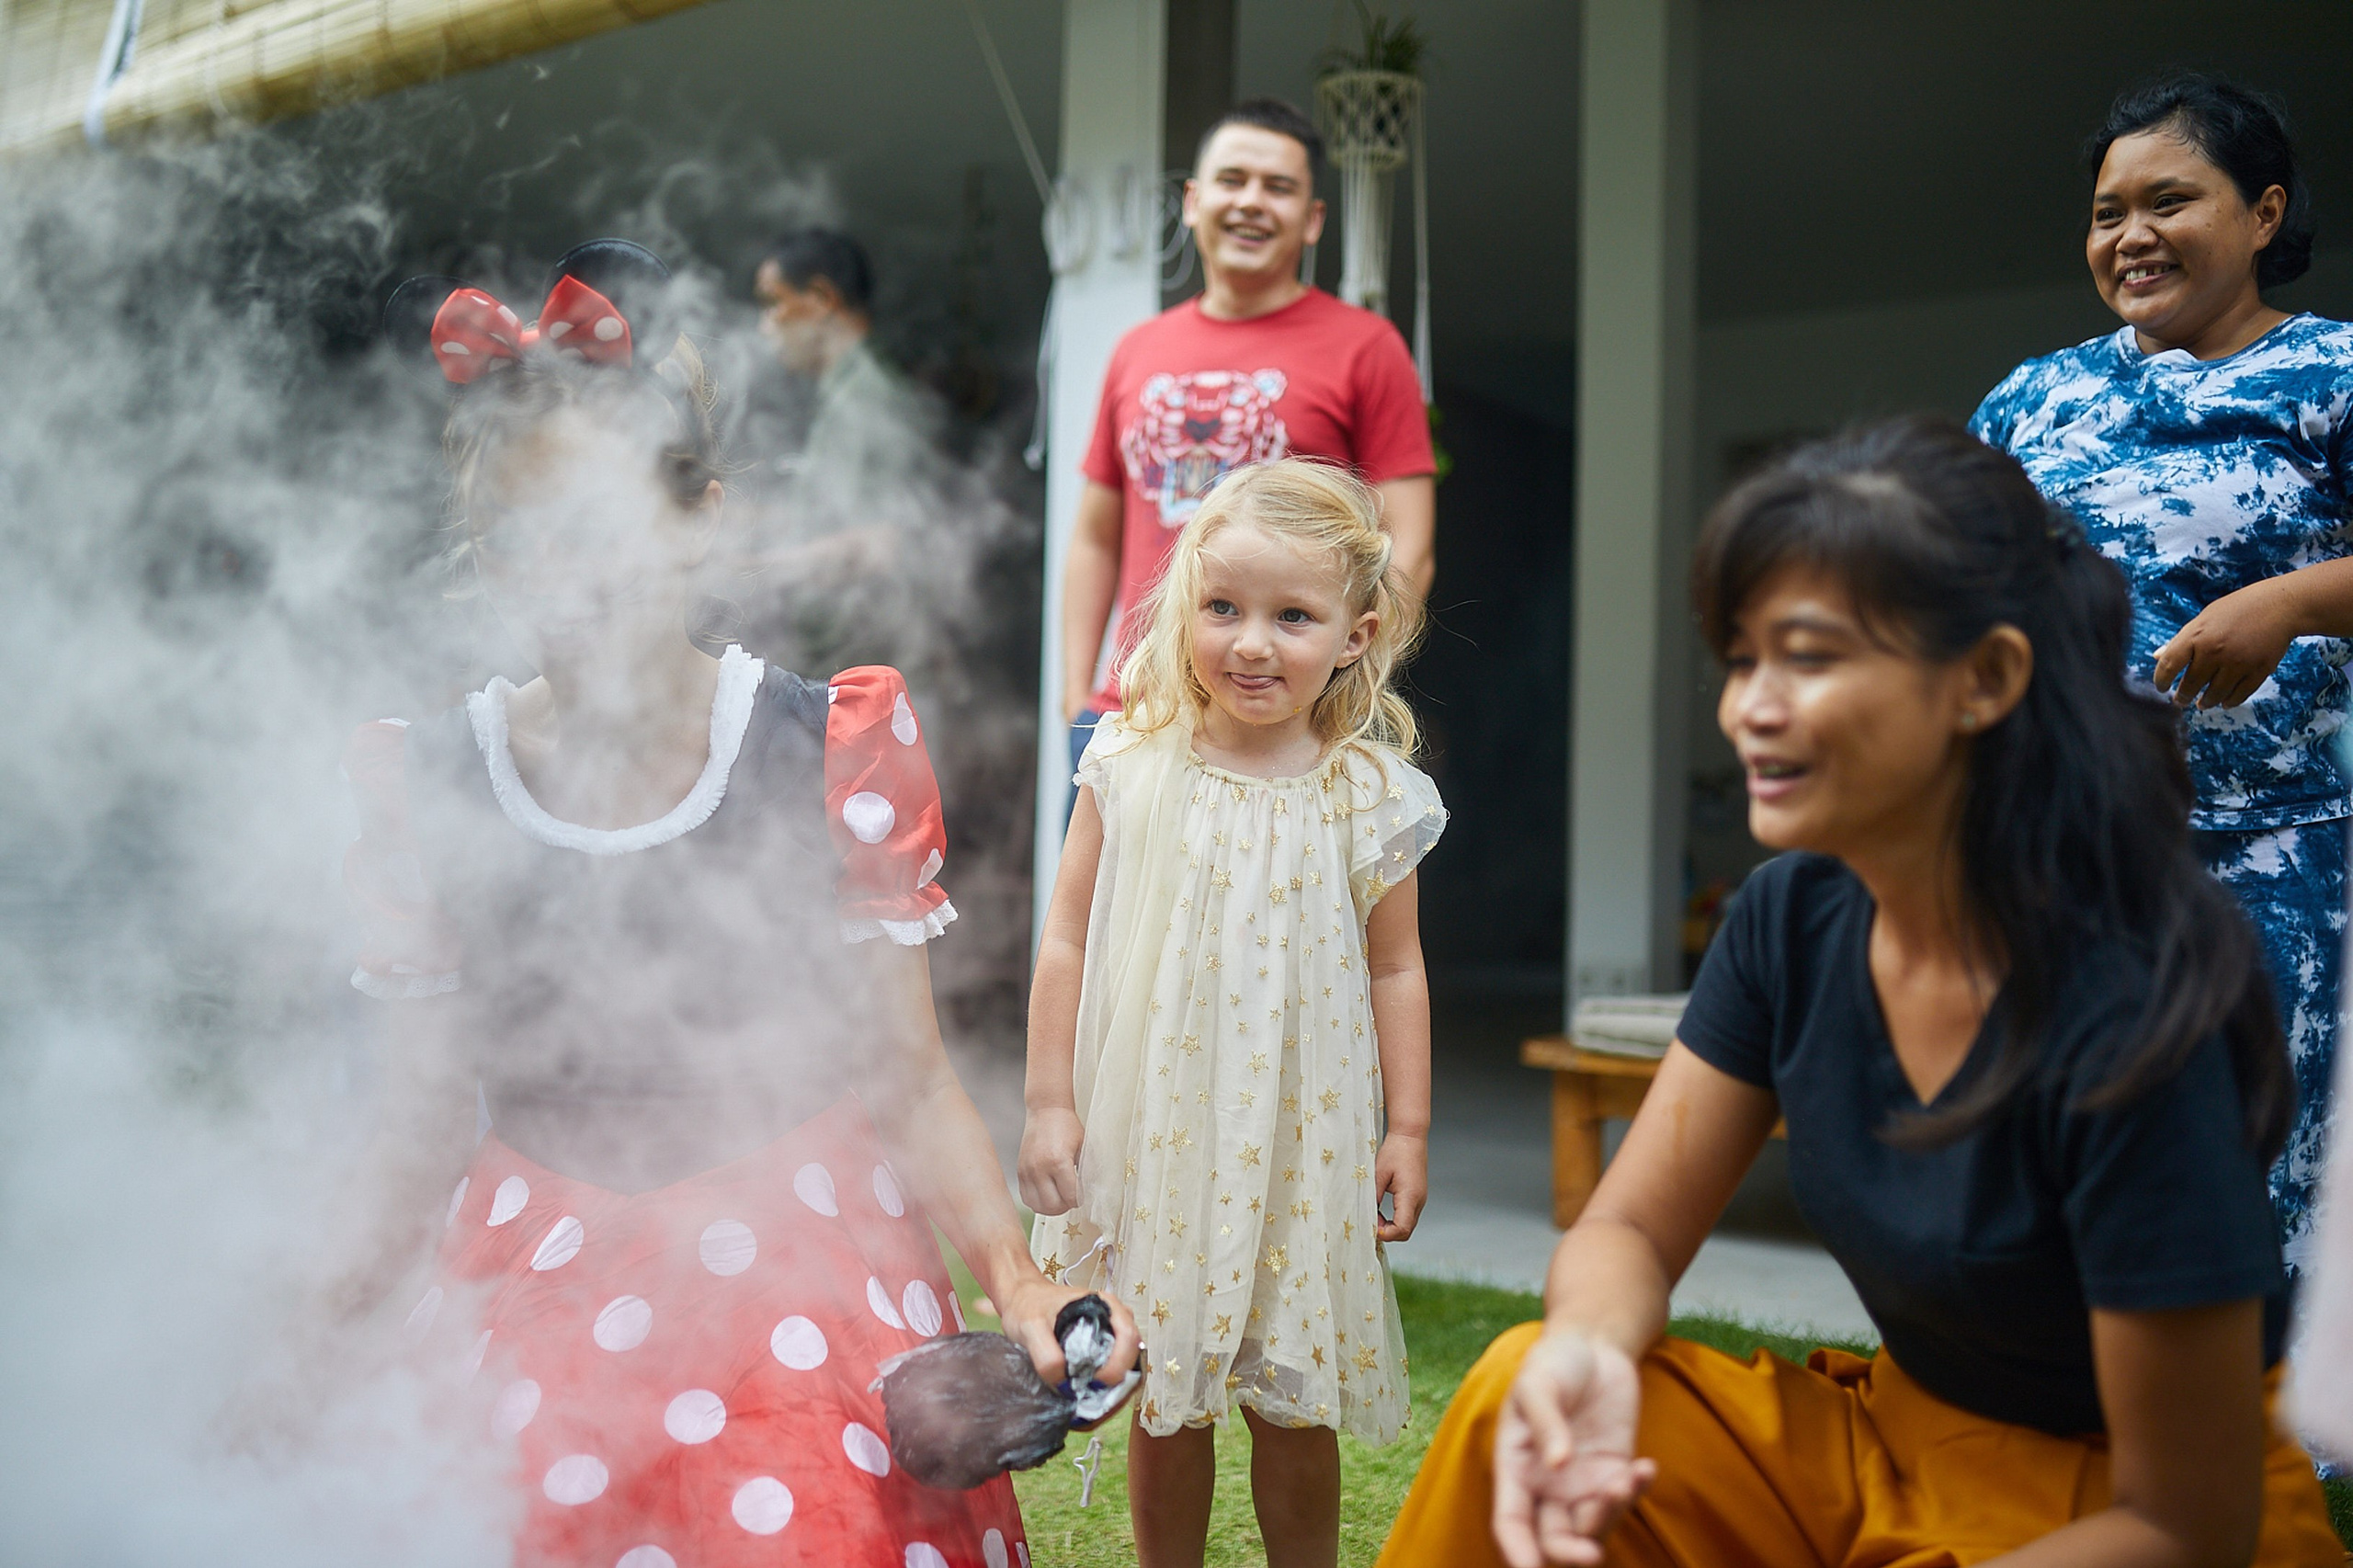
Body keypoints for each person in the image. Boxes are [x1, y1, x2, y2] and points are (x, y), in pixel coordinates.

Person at [1377, 419, 2338, 1568]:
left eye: (1809, 658)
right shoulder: (1788, 917)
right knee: (1516, 1390)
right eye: (1742, 660)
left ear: (1985, 678)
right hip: (1892, 1445)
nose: (1748, 707)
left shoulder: (2127, 1003)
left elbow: (2190, 1522)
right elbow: (1627, 1226)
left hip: (2117, 1513)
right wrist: (1585, 1343)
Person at [334, 248, 1137, 1568]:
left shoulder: (827, 745)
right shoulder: (426, 782)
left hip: (794, 1264)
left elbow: (909, 1073)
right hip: (535, 1262)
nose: (566, 573)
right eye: (521, 539)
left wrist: (1021, 1278)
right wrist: (319, 1327)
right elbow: (416, 1119)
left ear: (699, 515)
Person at [1019, 460, 1445, 1567]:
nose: (1251, 643)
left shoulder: (1366, 795)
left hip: (1301, 1138)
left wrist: (1406, 1126)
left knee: (1293, 1396)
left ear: (1354, 635)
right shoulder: (1130, 760)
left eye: (1291, 616)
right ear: (1183, 606)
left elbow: (1396, 967)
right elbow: (1066, 935)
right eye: (1222, 607)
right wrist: (1049, 1101)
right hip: (1161, 1128)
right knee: (1164, 1381)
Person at [1971, 74, 2353, 1276]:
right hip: (2060, 853)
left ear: (2264, 212)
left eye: (2169, 201)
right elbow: (1948, 584)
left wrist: (2291, 601)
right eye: (2107, 213)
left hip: (2279, 855)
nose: (2130, 235)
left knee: (2260, 1176)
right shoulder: (2032, 397)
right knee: (2055, 1164)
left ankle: (2264, 1407)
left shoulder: (2332, 374)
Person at [1062, 97, 1437, 789]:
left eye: (1278, 187)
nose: (1252, 202)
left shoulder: (1367, 347)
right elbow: (1094, 537)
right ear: (1193, 202)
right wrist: (1077, 699)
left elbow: (1406, 547)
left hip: (1285, 734)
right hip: (1133, 716)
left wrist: (1335, 696)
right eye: (1232, 181)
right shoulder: (1137, 351)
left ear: (1313, 220)